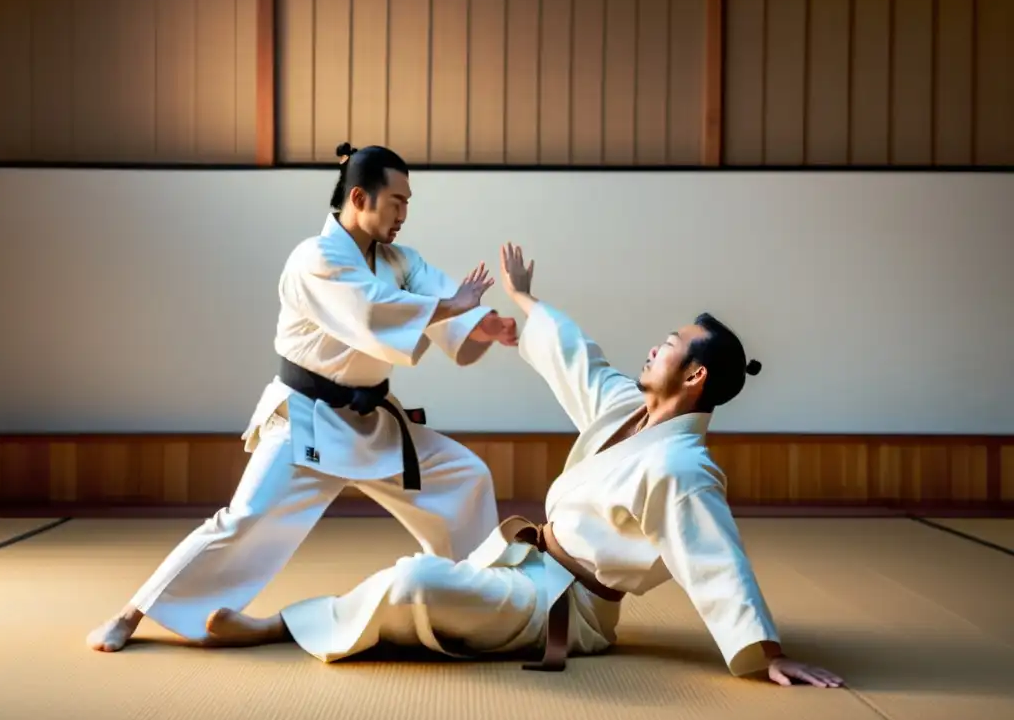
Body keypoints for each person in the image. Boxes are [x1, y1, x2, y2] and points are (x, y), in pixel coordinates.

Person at [200, 242, 844, 688]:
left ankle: (275, 627)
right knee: (429, 584)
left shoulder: (684, 469)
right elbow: (577, 358)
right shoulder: (626, 408)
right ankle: (303, 623)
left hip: (564, 607)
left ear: (695, 375)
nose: (654, 347)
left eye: (669, 346)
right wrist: (526, 301)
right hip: (530, 567)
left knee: (416, 584)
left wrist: (766, 655)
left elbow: (718, 561)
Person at [86, 144, 520, 653]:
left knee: (465, 477)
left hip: (374, 423)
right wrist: (452, 307)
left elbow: (449, 309)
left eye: (408, 202)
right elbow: (376, 314)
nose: (404, 213)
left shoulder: (402, 261)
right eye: (396, 200)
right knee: (244, 521)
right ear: (360, 197)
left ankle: (480, 606)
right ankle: (132, 613)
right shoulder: (315, 258)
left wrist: (487, 326)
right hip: (307, 422)